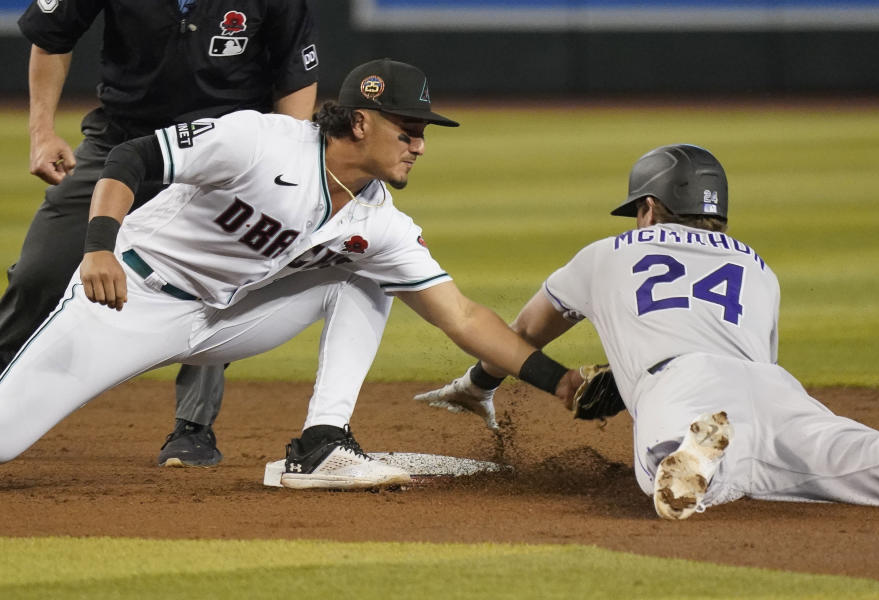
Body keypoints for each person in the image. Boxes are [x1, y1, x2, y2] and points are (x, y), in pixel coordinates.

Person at [0, 58, 584, 491]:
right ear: (360, 123)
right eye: (408, 129)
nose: (420, 146)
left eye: (423, 132)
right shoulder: (261, 141)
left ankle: (321, 443)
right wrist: (99, 245)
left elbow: (461, 315)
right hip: (130, 297)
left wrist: (560, 382)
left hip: (226, 317)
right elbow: (133, 157)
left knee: (358, 273)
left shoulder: (378, 219)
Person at [417, 144, 879, 520]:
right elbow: (754, 359)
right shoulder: (758, 267)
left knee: (669, 476)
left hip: (682, 386)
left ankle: (695, 456)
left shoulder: (604, 254)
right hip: (773, 388)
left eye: (636, 209)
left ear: (649, 207)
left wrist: (479, 384)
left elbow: (524, 334)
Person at [4, 0, 321, 468]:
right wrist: (42, 130)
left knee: (213, 284)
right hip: (121, 141)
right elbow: (51, 34)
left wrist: (282, 169)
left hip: (217, 158)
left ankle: (193, 429)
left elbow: (295, 77)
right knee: (41, 272)